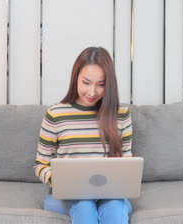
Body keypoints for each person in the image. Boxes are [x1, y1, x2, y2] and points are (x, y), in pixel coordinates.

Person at [33, 47, 133, 224]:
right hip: (67, 197)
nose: (92, 92)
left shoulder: (121, 114)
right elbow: (41, 164)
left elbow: (126, 161)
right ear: (75, 78)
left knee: (114, 208)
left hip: (110, 197)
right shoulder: (56, 115)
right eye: (86, 82)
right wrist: (59, 180)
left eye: (101, 84)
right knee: (85, 206)